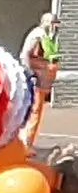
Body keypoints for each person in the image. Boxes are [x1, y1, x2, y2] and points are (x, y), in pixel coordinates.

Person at [24, 12, 61, 148]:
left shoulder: (46, 36)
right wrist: (31, 74)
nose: (54, 26)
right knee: (34, 112)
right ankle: (25, 145)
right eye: (52, 23)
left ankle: (28, 144)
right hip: (37, 79)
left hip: (43, 79)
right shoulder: (37, 36)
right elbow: (26, 55)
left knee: (37, 112)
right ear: (44, 22)